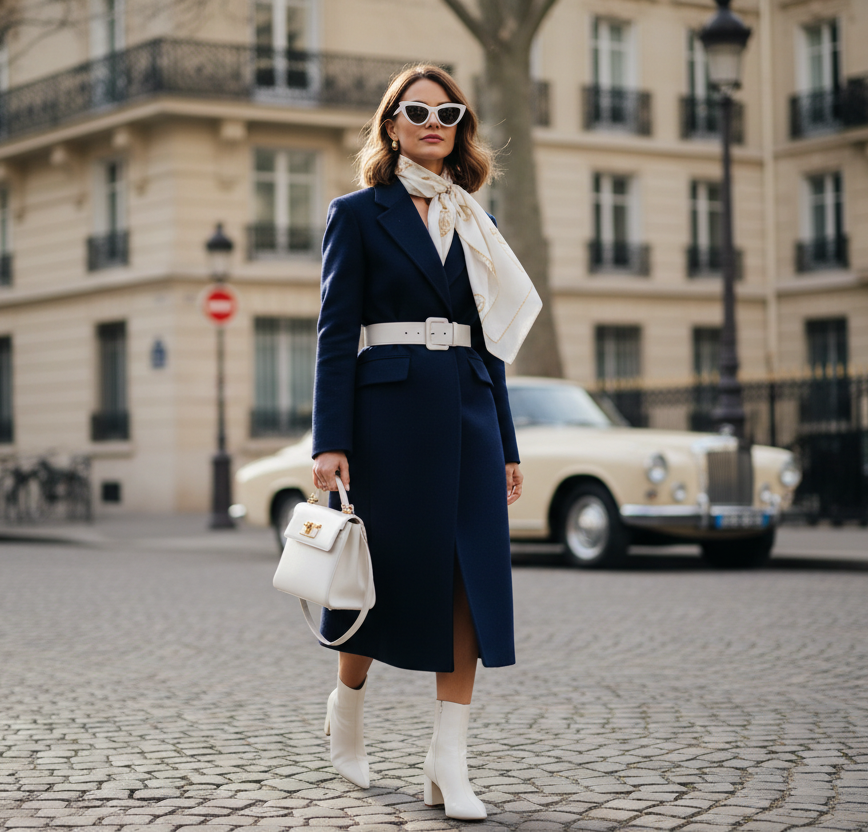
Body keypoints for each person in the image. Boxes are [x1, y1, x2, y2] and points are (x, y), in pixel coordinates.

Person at [309, 65, 542, 820]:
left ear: (460, 127)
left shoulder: (479, 220)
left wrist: (506, 441)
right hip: (389, 419)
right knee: (377, 578)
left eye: (449, 111)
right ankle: (347, 704)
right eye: (418, 111)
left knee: (470, 578)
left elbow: (493, 340)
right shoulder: (358, 213)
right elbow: (335, 333)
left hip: (471, 411)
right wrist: (330, 440)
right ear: (392, 124)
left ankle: (449, 758)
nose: (433, 121)